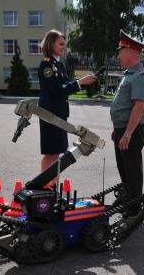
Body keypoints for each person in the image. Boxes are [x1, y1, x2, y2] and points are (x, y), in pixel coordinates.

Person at [38, 29, 96, 189]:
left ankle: (52, 185)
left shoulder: (58, 64)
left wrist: (79, 83)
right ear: (51, 44)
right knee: (50, 152)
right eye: (61, 44)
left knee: (56, 152)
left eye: (64, 44)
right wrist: (79, 83)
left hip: (58, 115)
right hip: (50, 115)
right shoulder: (46, 64)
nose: (64, 47)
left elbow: (62, 88)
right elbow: (57, 89)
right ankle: (44, 185)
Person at [110, 30, 144, 217]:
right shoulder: (129, 74)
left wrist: (127, 133)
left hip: (132, 131)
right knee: (124, 167)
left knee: (132, 169)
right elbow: (124, 105)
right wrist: (117, 129)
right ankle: (128, 197)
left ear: (131, 52)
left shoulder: (141, 76)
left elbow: (138, 107)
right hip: (123, 129)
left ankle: (134, 208)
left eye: (121, 51)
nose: (118, 55)